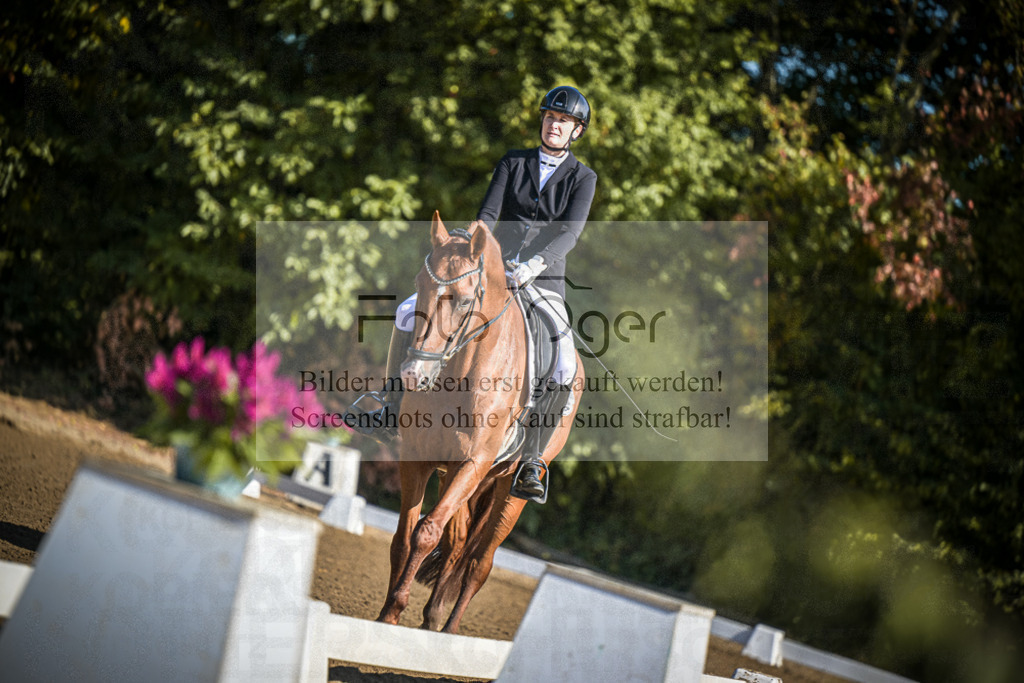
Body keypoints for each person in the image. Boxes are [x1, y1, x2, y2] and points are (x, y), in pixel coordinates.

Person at [347, 86, 597, 503]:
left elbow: (570, 232)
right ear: (542, 121)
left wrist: (534, 265)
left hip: (543, 281)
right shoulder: (513, 162)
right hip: (489, 271)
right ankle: (390, 405)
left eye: (565, 122)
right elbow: (488, 214)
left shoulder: (583, 178)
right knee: (409, 313)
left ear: (576, 131)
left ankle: (533, 460)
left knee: (565, 363)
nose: (555, 125)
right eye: (551, 117)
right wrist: (473, 247)